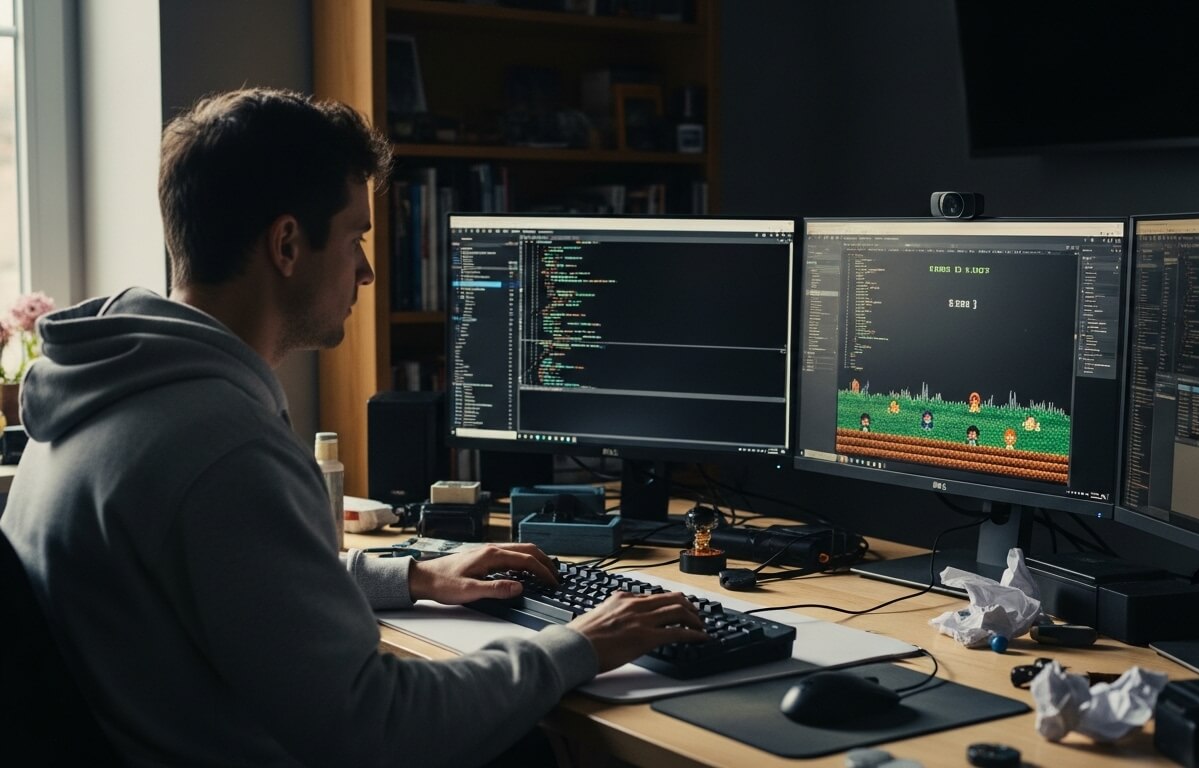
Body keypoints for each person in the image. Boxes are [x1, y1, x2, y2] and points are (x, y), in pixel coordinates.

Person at [0, 88, 706, 767]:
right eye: (354, 237)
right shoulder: (220, 447)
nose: (367, 270)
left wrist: (415, 575)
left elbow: (224, 587)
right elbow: (379, 731)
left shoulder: (103, 393)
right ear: (286, 245)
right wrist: (577, 644)